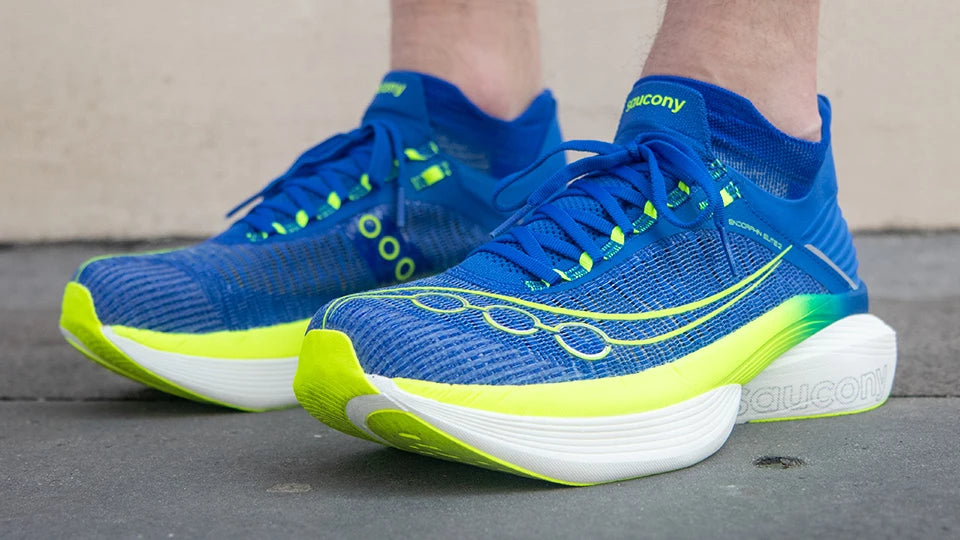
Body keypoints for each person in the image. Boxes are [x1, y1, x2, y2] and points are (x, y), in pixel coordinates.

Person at [61, 0, 896, 484]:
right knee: (465, 82)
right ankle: (469, 124)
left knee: (728, 91)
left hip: (759, 188)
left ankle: (750, 153)